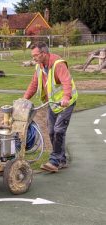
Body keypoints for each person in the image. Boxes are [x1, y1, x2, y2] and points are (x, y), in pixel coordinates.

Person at [23, 41, 78, 172]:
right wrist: (24, 99)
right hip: (52, 104)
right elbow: (34, 85)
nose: (34, 58)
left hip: (66, 102)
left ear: (44, 53)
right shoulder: (39, 67)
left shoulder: (58, 64)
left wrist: (66, 97)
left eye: (35, 55)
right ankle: (62, 160)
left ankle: (54, 161)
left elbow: (67, 82)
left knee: (59, 130)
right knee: (52, 131)